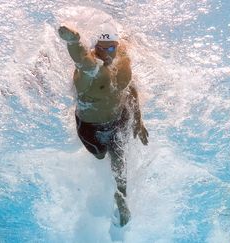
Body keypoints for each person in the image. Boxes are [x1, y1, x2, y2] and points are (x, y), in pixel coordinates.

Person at [58, 23, 148, 227]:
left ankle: (122, 198)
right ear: (94, 47)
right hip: (91, 127)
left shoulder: (122, 60)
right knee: (100, 155)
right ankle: (105, 166)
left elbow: (130, 88)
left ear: (117, 46)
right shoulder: (91, 68)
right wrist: (73, 41)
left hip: (118, 118)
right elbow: (81, 58)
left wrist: (139, 120)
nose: (105, 52)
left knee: (119, 157)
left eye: (110, 48)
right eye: (100, 48)